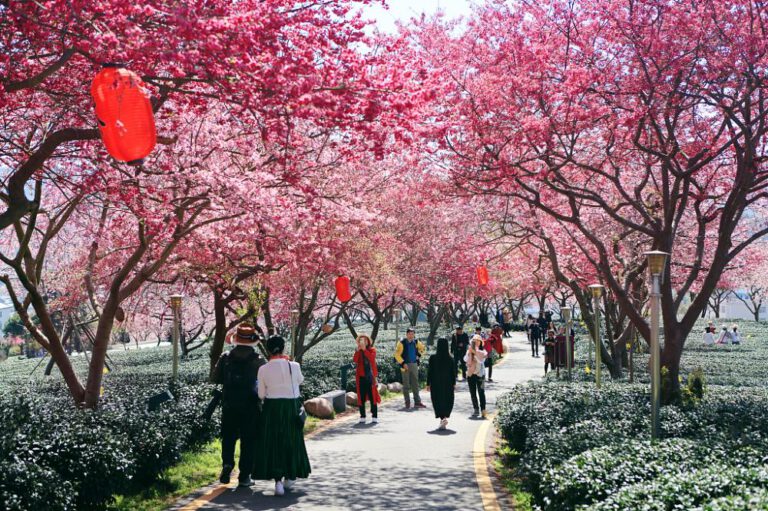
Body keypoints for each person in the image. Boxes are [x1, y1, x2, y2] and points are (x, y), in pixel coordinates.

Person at [254, 336, 311, 496]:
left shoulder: (263, 369)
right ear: (283, 348)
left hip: (272, 409)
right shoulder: (294, 365)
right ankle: (290, 476)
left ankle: (277, 481)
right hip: (291, 407)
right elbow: (300, 381)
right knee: (292, 440)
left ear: (268, 349)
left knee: (274, 442)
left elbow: (261, 395)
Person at [212, 323, 265, 487]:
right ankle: (244, 475)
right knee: (249, 440)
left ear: (236, 339)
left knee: (228, 437)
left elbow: (215, 378)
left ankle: (227, 464)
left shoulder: (225, 357)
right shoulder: (258, 360)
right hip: (250, 406)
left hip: (229, 404)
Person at [427, 338, 457, 430]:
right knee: (447, 399)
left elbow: (430, 372)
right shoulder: (450, 359)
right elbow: (453, 372)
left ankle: (442, 418)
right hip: (448, 383)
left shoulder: (433, 358)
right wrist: (454, 383)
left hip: (436, 383)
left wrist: (428, 384)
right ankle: (444, 418)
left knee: (437, 400)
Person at [394, 328, 426, 409]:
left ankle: (417, 402)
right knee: (406, 385)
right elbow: (397, 355)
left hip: (414, 364)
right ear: (406, 334)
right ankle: (407, 402)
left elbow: (423, 349)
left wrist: (418, 355)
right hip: (405, 366)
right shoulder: (401, 343)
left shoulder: (416, 342)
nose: (411, 336)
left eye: (412, 334)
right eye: (409, 334)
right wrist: (403, 363)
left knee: (415, 384)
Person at [353, 334, 381, 424]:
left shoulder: (372, 350)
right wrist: (358, 351)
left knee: (373, 397)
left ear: (368, 341)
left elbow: (371, 358)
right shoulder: (358, 350)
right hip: (361, 378)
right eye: (360, 341)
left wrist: (364, 350)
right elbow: (355, 360)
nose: (362, 342)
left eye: (364, 340)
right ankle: (362, 416)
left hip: (371, 378)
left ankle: (374, 416)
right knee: (361, 397)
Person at [465, 334, 488, 419]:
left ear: (481, 342)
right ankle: (476, 409)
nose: (476, 342)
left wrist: (475, 352)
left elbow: (480, 360)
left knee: (481, 392)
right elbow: (465, 360)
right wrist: (470, 353)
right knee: (473, 392)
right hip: (471, 374)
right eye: (474, 340)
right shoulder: (469, 351)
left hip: (480, 375)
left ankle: (483, 409)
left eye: (478, 340)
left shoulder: (483, 351)